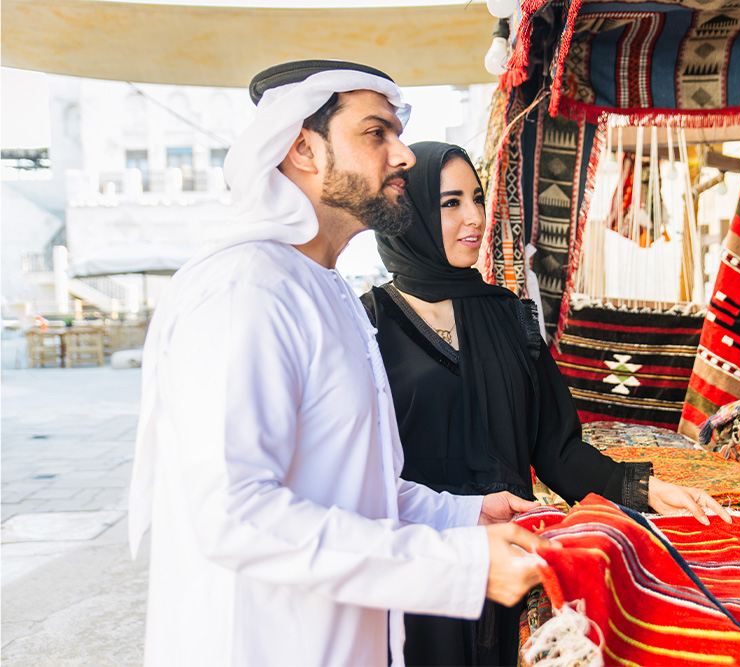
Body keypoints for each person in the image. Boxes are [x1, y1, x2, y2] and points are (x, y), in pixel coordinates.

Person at [127, 62, 555, 667]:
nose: (403, 155)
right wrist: (455, 564)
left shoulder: (323, 288)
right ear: (303, 148)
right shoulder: (248, 289)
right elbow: (235, 513)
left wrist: (462, 514)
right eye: (376, 134)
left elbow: (347, 482)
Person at [362, 141, 732, 666]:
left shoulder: (509, 317)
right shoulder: (368, 325)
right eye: (450, 203)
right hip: (419, 569)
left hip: (510, 562)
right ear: (410, 212)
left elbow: (556, 449)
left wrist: (647, 490)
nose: (474, 218)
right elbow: (363, 470)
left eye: (478, 197)